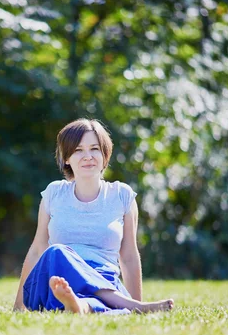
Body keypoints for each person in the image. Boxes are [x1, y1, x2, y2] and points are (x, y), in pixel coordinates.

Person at [13, 119, 174, 314]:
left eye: (94, 148)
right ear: (66, 158)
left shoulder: (122, 195)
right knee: (55, 253)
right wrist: (18, 306)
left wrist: (135, 299)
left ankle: (80, 306)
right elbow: (38, 250)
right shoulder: (53, 194)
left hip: (105, 280)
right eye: (78, 150)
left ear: (105, 154)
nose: (87, 156)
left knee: (93, 300)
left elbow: (129, 255)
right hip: (57, 282)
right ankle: (125, 307)